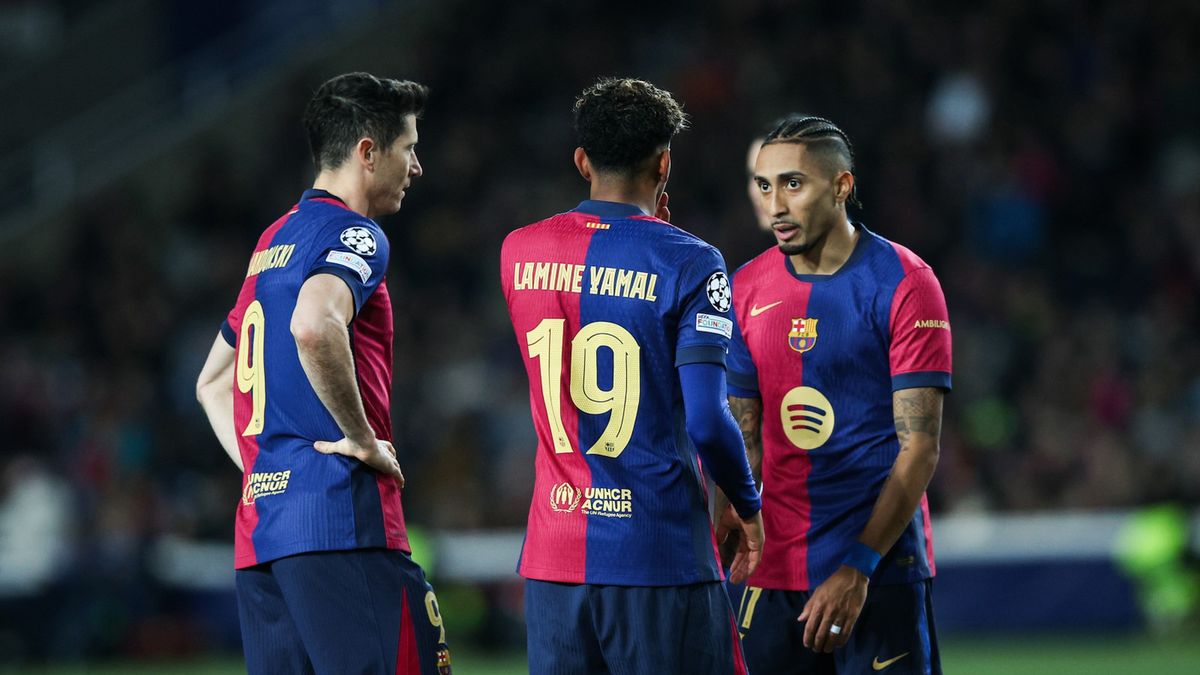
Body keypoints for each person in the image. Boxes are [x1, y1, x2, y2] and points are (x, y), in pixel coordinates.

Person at [500, 77, 766, 674]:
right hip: (659, 553)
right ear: (665, 162)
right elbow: (706, 419)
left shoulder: (518, 250)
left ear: (581, 160)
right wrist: (746, 504)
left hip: (553, 563)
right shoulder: (691, 262)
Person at [195, 72, 452, 675]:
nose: (417, 167)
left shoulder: (272, 241)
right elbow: (313, 325)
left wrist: (266, 467)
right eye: (409, 148)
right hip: (342, 525)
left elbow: (212, 380)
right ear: (369, 151)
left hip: (262, 538)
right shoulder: (356, 234)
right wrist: (362, 439)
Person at [716, 115, 951, 674]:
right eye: (765, 185)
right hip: (770, 575)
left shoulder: (905, 283)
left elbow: (920, 447)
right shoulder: (745, 288)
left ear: (842, 186)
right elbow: (744, 437)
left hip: (878, 571)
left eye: (794, 184)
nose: (776, 204)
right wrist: (723, 510)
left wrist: (859, 566)